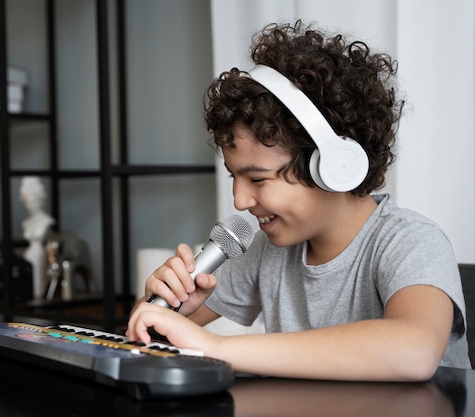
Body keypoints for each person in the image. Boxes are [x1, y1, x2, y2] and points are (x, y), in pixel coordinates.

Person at [126, 20, 471, 381]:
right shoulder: (267, 251)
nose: (240, 200)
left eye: (257, 178)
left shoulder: (411, 242)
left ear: (334, 168)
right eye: (234, 176)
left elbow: (413, 351)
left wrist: (216, 349)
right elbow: (144, 342)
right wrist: (161, 309)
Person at [20, 176, 55, 298]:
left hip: (41, 257)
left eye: (34, 199)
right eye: (28, 200)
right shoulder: (26, 223)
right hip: (28, 257)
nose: (31, 203)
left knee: (40, 287)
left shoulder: (46, 221)